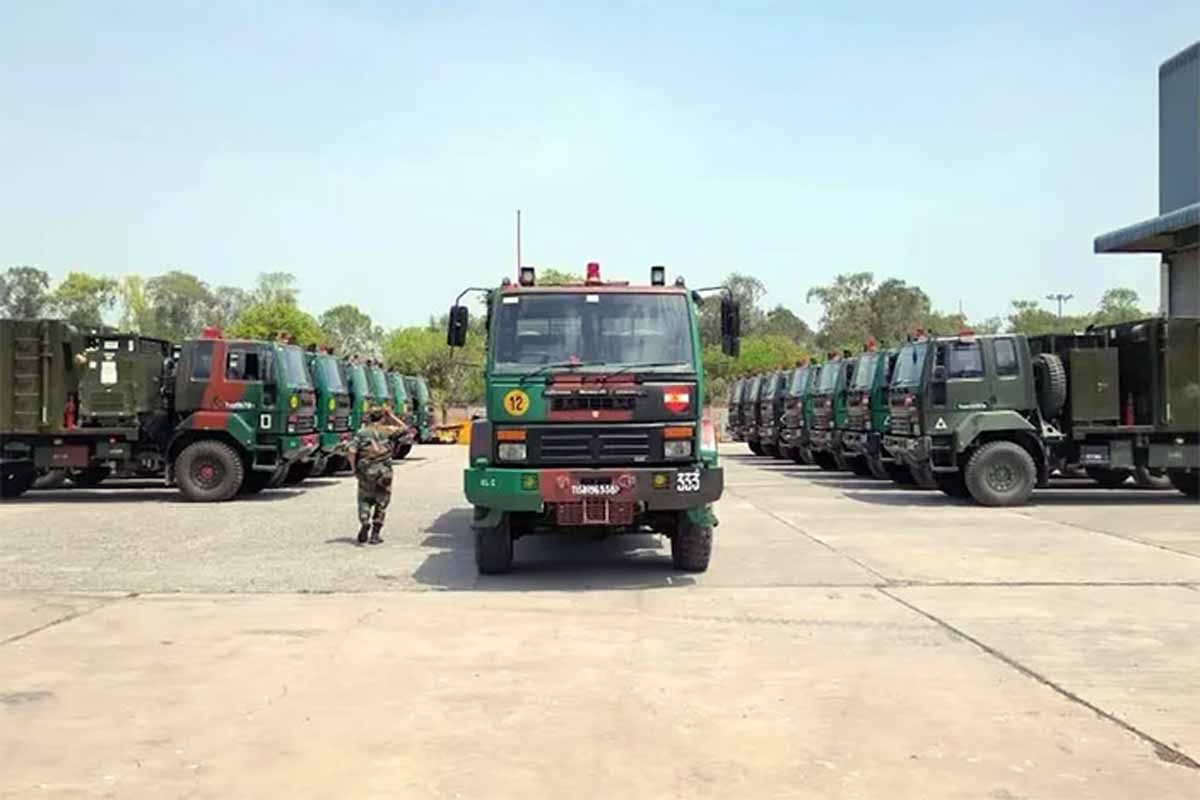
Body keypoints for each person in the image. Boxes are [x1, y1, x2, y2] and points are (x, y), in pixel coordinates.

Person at [347, 405, 406, 544]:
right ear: (383, 417)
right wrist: (391, 416)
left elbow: (351, 452)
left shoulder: (362, 433)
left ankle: (365, 520)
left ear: (369, 417)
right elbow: (406, 429)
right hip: (384, 471)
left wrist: (354, 469)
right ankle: (375, 534)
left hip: (367, 471)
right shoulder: (388, 431)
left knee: (365, 499)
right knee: (382, 501)